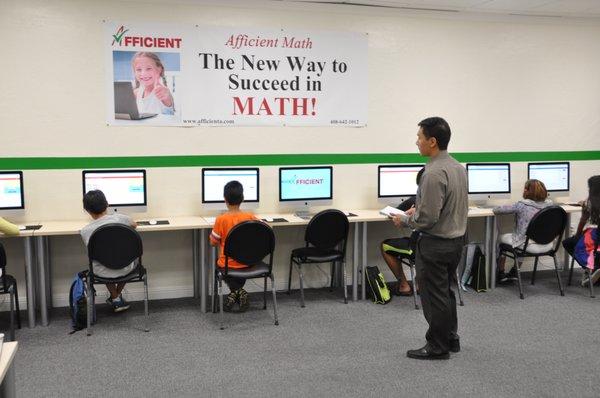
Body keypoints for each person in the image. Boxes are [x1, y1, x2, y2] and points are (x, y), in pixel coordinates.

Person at [394, 117, 468, 360]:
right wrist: (421, 209)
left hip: (435, 244)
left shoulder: (432, 172)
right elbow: (447, 206)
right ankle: (451, 338)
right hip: (455, 242)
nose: (417, 142)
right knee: (445, 292)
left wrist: (404, 219)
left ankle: (437, 346)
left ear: (432, 142)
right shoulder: (457, 167)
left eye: (420, 137)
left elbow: (427, 221)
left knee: (433, 297)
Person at [80, 190, 137, 312]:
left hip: (101, 272)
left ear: (86, 210)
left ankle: (115, 298)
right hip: (126, 268)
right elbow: (134, 224)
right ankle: (116, 297)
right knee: (128, 258)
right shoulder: (121, 219)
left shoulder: (85, 231)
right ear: (107, 204)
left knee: (104, 259)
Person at [209, 181, 257, 312]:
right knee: (234, 268)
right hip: (249, 262)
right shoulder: (251, 217)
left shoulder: (221, 220)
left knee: (220, 265)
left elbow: (213, 242)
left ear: (225, 199)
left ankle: (236, 292)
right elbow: (262, 232)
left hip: (228, 264)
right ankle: (238, 292)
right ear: (242, 198)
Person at [493, 179, 552, 284]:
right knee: (525, 238)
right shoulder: (550, 205)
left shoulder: (522, 205)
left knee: (501, 238)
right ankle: (515, 272)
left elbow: (497, 210)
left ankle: (500, 273)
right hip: (546, 243)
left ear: (527, 191)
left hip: (527, 244)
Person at [380, 167, 424, 296]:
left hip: (420, 247)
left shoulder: (415, 201)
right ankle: (421, 282)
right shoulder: (446, 202)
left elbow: (397, 213)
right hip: (444, 247)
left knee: (384, 245)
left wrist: (405, 219)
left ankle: (404, 285)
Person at [563, 175, 600, 285]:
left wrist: (577, 236)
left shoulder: (589, 202)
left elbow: (582, 222)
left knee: (568, 243)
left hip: (593, 236)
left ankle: (591, 268)